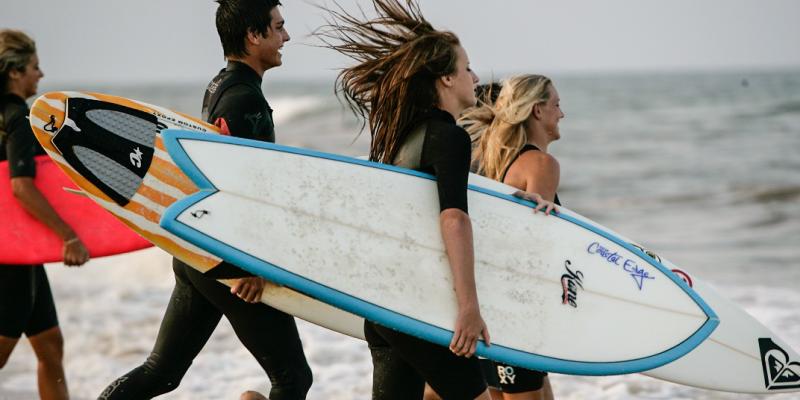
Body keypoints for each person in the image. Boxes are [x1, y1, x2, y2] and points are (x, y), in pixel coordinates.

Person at [317, 1, 556, 399]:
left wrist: (505, 206)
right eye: (466, 69)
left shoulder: (402, 136)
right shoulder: (448, 137)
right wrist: (469, 306)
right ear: (446, 78)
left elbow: (414, 212)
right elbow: (452, 219)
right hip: (415, 306)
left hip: (383, 307)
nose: (475, 78)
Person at [98, 2, 312, 399]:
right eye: (279, 27)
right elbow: (237, 188)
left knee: (162, 372)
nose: (286, 37)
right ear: (254, 35)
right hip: (225, 258)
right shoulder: (243, 99)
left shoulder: (222, 85)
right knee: (293, 379)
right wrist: (246, 264)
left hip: (199, 249)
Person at [0, 29, 90, 400]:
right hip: (12, 257)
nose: (41, 74)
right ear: (16, 71)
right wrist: (68, 235)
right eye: (35, 67)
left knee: (50, 346)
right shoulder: (18, 118)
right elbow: (22, 187)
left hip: (19, 247)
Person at [462, 75, 564, 399]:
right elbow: (534, 247)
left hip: (493, 306)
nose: (561, 114)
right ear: (537, 111)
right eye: (556, 105)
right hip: (519, 313)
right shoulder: (541, 164)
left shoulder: (498, 161)